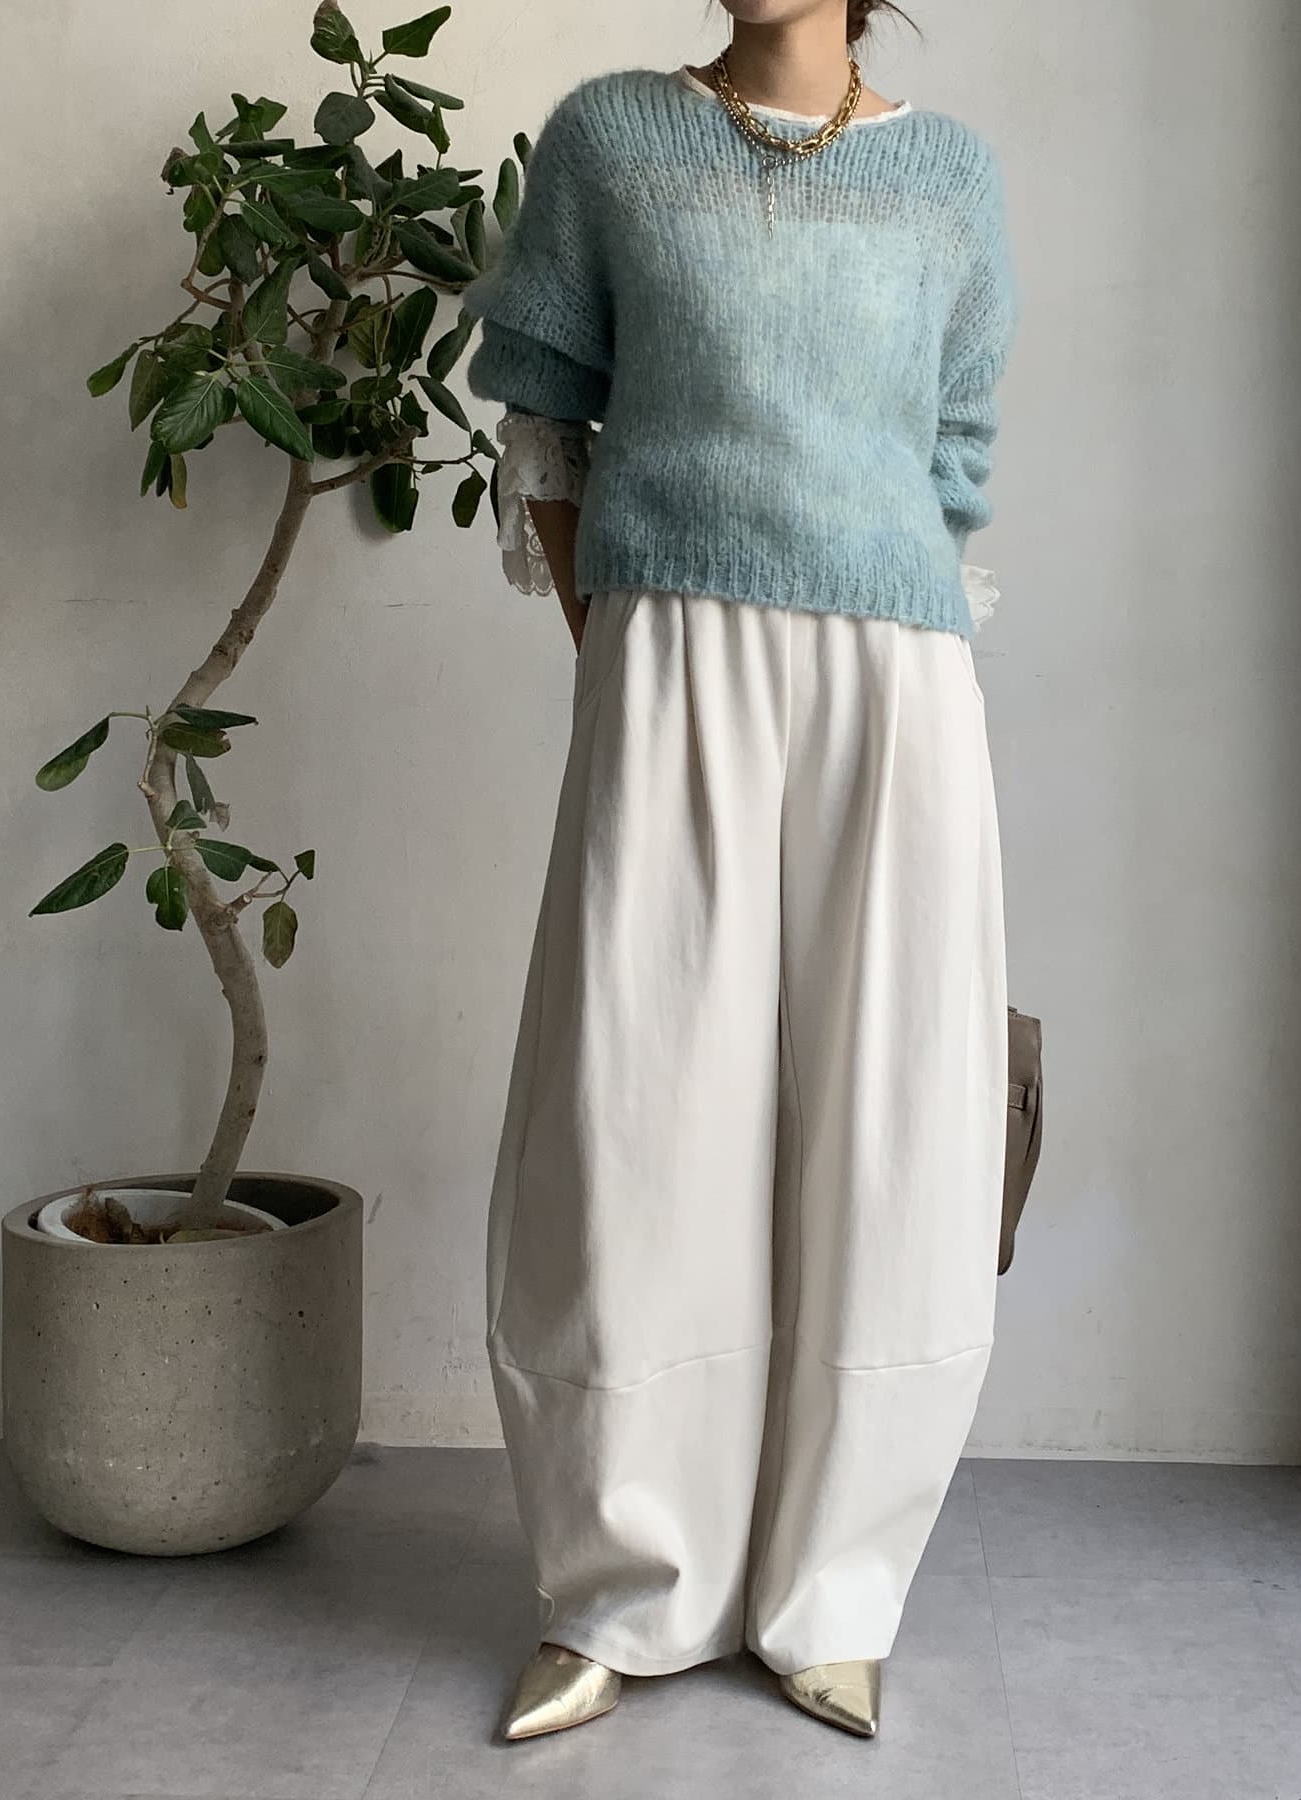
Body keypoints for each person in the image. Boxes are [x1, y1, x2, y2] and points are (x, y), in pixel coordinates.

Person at [464, 0, 1017, 1743]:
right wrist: (619, 645)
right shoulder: (610, 138)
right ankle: (621, 1590)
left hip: (895, 675)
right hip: (670, 648)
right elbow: (544, 426)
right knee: (635, 1112)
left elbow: (953, 460)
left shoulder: (950, 177)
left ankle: (836, 1593)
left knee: (892, 1119)